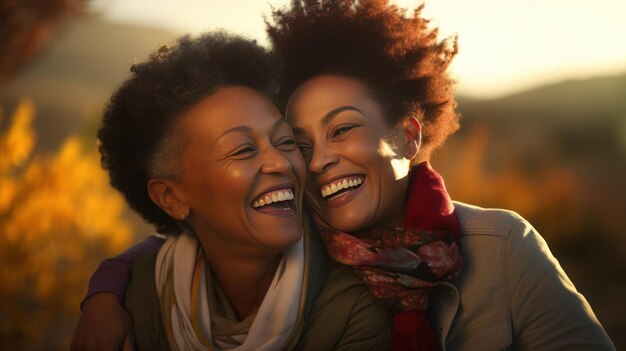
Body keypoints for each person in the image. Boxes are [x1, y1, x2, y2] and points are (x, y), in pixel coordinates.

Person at [73, 1, 615, 350]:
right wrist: (105, 290)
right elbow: (188, 236)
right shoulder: (294, 239)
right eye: (299, 142)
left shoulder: (501, 248)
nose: (316, 160)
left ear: (407, 135)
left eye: (342, 130)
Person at [70, 31, 391, 351]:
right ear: (171, 197)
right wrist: (105, 290)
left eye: (286, 141)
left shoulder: (357, 307)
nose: (280, 162)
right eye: (243, 150)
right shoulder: (135, 303)